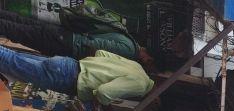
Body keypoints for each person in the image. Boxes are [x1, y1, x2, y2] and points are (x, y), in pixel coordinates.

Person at [0, 45, 154, 107]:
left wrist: (94, 69)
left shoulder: (138, 68)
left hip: (69, 64)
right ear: (157, 100)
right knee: (9, 60)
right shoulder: (140, 86)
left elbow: (101, 53)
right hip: (67, 78)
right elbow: (104, 92)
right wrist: (102, 102)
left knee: (11, 57)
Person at [0, 9, 155, 68]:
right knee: (17, 30)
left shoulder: (129, 39)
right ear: (149, 55)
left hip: (65, 35)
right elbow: (96, 46)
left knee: (20, 23)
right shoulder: (129, 51)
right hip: (67, 42)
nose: (146, 63)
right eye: (149, 61)